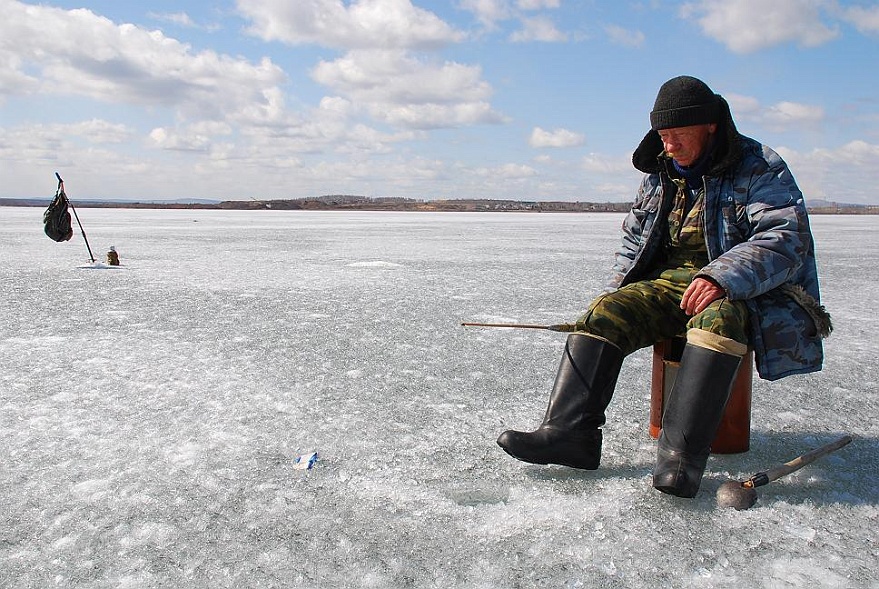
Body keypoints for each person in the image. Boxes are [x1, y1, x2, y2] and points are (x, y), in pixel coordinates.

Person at [496, 75, 832, 498]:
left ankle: (680, 463)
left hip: (746, 288)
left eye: (678, 135)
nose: (668, 145)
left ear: (710, 126)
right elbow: (636, 241)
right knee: (606, 313)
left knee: (719, 321)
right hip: (670, 281)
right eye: (662, 134)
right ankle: (570, 436)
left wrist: (720, 276)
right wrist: (616, 290)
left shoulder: (758, 165)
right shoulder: (659, 171)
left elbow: (784, 239)